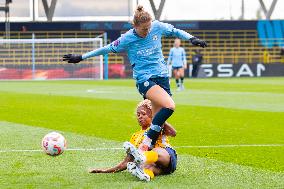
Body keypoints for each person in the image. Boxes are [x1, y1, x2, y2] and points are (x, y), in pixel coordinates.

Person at [63, 5, 207, 153]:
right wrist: (81, 57)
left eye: (149, 27)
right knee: (169, 106)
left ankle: (146, 156)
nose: (148, 30)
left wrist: (192, 38)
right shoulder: (127, 38)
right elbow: (106, 48)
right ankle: (146, 142)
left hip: (163, 76)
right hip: (145, 79)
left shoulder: (157, 26)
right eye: (144, 29)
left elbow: (175, 31)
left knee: (158, 119)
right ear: (135, 26)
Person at [89, 99, 177, 182]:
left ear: (151, 114)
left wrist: (159, 119)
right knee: (146, 167)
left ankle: (143, 156)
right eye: (138, 115)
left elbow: (173, 133)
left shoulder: (156, 127)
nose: (140, 117)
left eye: (143, 114)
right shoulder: (135, 136)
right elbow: (126, 162)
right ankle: (146, 175)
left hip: (167, 158)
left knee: (154, 151)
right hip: (160, 167)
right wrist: (105, 171)